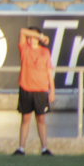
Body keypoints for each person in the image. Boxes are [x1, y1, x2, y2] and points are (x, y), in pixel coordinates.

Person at [13, 27, 55, 156]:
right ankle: (21, 148)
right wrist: (41, 35)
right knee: (25, 119)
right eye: (30, 37)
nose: (31, 39)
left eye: (34, 37)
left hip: (41, 89)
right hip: (26, 88)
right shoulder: (24, 49)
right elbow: (22, 31)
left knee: (41, 119)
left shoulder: (45, 52)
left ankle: (44, 148)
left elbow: (49, 72)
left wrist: (52, 90)